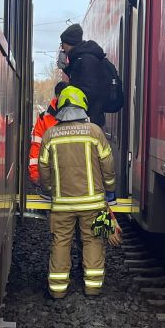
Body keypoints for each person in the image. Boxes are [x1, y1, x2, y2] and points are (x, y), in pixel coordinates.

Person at [38, 85, 116, 298]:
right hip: (93, 204)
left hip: (62, 204)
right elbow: (107, 164)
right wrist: (110, 189)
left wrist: (50, 190)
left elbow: (43, 169)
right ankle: (92, 287)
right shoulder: (95, 132)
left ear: (61, 107)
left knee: (61, 241)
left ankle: (58, 290)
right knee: (93, 240)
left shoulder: (50, 135)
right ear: (83, 106)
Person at [59, 23, 106, 127]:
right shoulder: (81, 58)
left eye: (62, 44)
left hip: (89, 118)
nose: (62, 47)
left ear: (68, 43)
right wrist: (66, 68)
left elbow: (88, 89)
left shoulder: (85, 59)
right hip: (87, 116)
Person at [28, 81, 67, 186]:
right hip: (51, 178)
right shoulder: (43, 119)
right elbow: (36, 147)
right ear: (58, 96)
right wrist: (35, 174)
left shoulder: (44, 119)